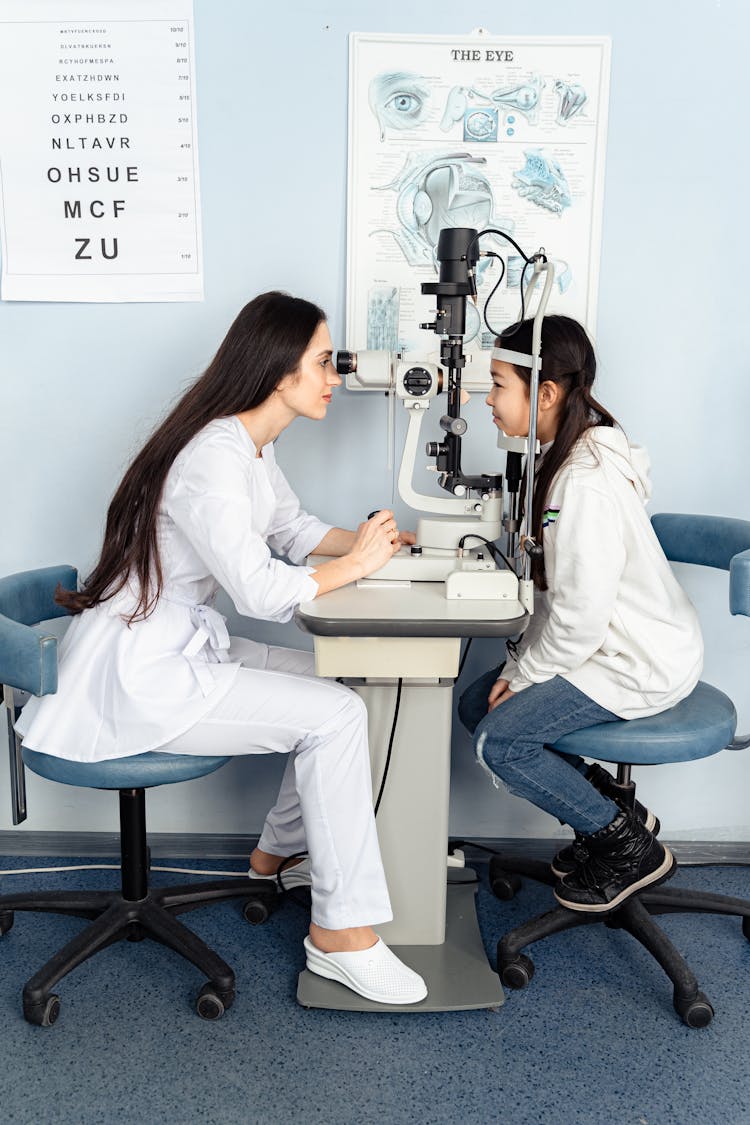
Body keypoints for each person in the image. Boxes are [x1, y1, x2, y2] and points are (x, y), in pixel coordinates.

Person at [16, 290, 427, 1006]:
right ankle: (341, 935)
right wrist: (355, 568)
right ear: (278, 370)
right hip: (143, 671)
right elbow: (263, 590)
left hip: (179, 642)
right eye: (325, 363)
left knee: (345, 692)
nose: (336, 377)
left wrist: (384, 545)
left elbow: (293, 530)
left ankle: (273, 855)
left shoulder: (247, 442)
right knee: (334, 716)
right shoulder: (212, 457)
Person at [458, 314, 703, 913]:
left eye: (496, 384)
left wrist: (524, 674)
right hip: (604, 643)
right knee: (474, 702)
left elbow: (581, 618)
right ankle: (617, 812)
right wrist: (520, 667)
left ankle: (625, 848)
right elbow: (564, 600)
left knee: (499, 742)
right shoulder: (569, 453)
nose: (486, 399)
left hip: (634, 658)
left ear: (545, 393)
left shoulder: (583, 483)